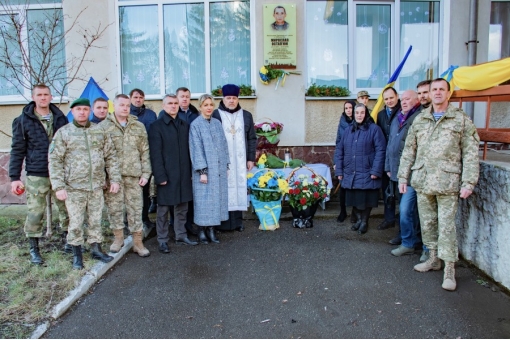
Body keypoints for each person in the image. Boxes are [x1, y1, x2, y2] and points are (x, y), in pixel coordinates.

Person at [398, 78, 480, 291]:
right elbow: (409, 150)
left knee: (446, 227)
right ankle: (433, 259)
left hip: (448, 182)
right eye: (434, 89)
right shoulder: (420, 119)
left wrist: (469, 182)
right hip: (423, 181)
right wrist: (403, 177)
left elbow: (470, 153)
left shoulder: (460, 120)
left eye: (441, 89)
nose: (437, 93)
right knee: (428, 224)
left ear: (448, 93)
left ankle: (450, 269)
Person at [49, 98, 121, 269]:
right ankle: (77, 254)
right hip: (74, 188)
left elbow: (111, 156)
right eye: (78, 109)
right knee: (75, 222)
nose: (82, 112)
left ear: (89, 111)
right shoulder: (64, 132)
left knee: (96, 220)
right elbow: (55, 160)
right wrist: (58, 186)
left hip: (96, 186)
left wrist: (115, 179)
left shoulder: (99, 131)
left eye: (85, 109)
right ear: (72, 111)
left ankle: (96, 249)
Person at [9, 84, 69, 265]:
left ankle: (70, 241)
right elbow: (17, 150)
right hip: (37, 173)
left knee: (66, 209)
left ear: (51, 97)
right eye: (39, 95)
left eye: (46, 95)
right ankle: (34, 248)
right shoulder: (22, 121)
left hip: (59, 173)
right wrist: (14, 178)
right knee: (35, 212)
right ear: (34, 97)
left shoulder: (60, 118)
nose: (43, 98)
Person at [100, 94, 152, 257]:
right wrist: (103, 178)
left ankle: (137, 242)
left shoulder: (138, 126)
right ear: (114, 106)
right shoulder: (103, 127)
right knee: (115, 209)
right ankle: (118, 239)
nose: (125, 108)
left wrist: (146, 173)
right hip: (113, 178)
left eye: (127, 105)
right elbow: (99, 155)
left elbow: (145, 151)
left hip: (133, 175)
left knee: (136, 209)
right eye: (121, 105)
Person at [149, 94, 198, 253]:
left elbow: (190, 151)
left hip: (183, 174)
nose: (173, 106)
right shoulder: (156, 126)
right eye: (170, 103)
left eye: (176, 103)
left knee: (182, 207)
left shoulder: (185, 125)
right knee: (163, 210)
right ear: (163, 106)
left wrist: (191, 172)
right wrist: (160, 176)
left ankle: (181, 235)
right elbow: (155, 154)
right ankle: (162, 239)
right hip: (167, 175)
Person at [335, 104, 386, 234]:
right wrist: (339, 170)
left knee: (366, 200)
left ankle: (364, 222)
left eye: (362, 112)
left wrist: (375, 170)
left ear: (366, 114)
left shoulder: (374, 129)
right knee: (353, 200)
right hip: (350, 172)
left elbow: (381, 150)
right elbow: (339, 150)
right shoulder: (348, 130)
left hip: (367, 172)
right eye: (357, 112)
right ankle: (358, 220)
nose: (359, 115)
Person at [212, 84, 257, 232]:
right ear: (223, 99)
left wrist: (250, 158)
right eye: (228, 98)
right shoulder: (216, 115)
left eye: (234, 98)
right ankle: (223, 223)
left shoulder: (246, 115)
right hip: (223, 162)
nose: (231, 101)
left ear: (238, 99)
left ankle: (238, 222)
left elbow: (251, 138)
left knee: (239, 188)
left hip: (240, 161)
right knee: (224, 190)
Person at [384, 90, 422, 257]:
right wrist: (387, 166)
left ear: (416, 100)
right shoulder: (398, 117)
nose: (404, 102)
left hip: (410, 174)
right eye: (403, 99)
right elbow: (391, 143)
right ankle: (407, 238)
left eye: (408, 99)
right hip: (396, 172)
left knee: (408, 210)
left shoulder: (418, 118)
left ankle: (410, 242)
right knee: (404, 208)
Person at [189, 94, 230, 244]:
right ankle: (201, 230)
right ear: (200, 107)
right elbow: (196, 148)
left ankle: (212, 229)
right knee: (204, 201)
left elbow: (224, 145)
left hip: (218, 169)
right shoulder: (196, 125)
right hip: (205, 171)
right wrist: (202, 171)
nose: (208, 108)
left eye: (211, 105)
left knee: (215, 200)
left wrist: (226, 165)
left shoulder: (217, 123)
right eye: (205, 105)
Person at [129, 88, 157, 232]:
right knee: (131, 192)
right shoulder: (127, 115)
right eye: (135, 97)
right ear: (130, 98)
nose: (138, 99)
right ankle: (131, 221)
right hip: (131, 160)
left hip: (148, 157)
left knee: (145, 190)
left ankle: (145, 218)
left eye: (140, 97)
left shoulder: (151, 114)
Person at [376, 87, 401, 231]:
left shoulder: (403, 112)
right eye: (386, 99)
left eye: (391, 98)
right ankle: (389, 218)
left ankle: (401, 221)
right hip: (385, 158)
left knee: (401, 192)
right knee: (386, 190)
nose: (389, 101)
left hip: (399, 157)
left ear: (397, 96)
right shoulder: (380, 115)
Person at [177, 87, 200, 236]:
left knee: (191, 194)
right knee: (179, 194)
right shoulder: (171, 113)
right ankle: (177, 226)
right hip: (178, 157)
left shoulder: (195, 114)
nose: (184, 99)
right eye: (182, 96)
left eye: (187, 96)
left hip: (192, 157)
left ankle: (190, 224)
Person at [334, 100, 357, 223]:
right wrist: (336, 161)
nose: (348, 110)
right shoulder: (342, 122)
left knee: (355, 187)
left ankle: (354, 212)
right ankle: (342, 211)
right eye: (346, 108)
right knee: (342, 186)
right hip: (343, 158)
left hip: (355, 159)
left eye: (350, 108)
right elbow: (338, 142)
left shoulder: (360, 121)